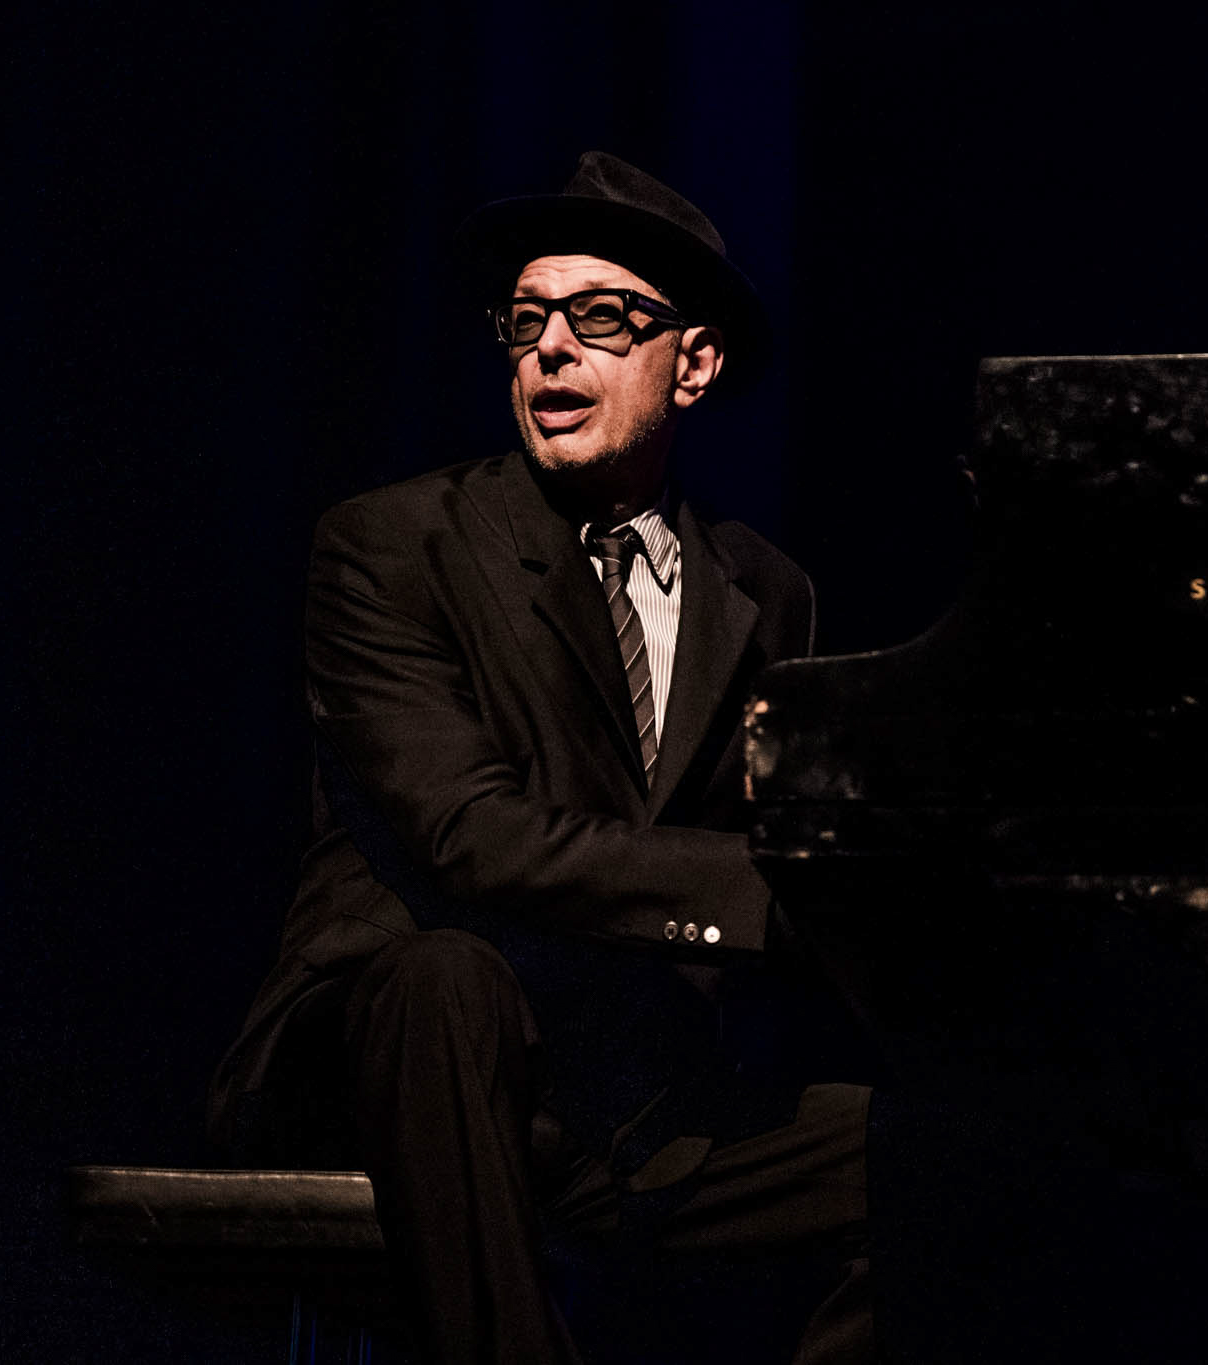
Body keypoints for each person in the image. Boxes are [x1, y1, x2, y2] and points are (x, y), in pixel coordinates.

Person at [208, 152, 873, 1364]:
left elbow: (791, 835)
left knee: (952, 1141)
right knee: (446, 977)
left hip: (627, 1096)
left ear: (695, 364)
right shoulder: (394, 544)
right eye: (526, 322)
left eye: (601, 318)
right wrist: (754, 895)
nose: (550, 349)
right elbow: (467, 837)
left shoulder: (765, 591)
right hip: (404, 1071)